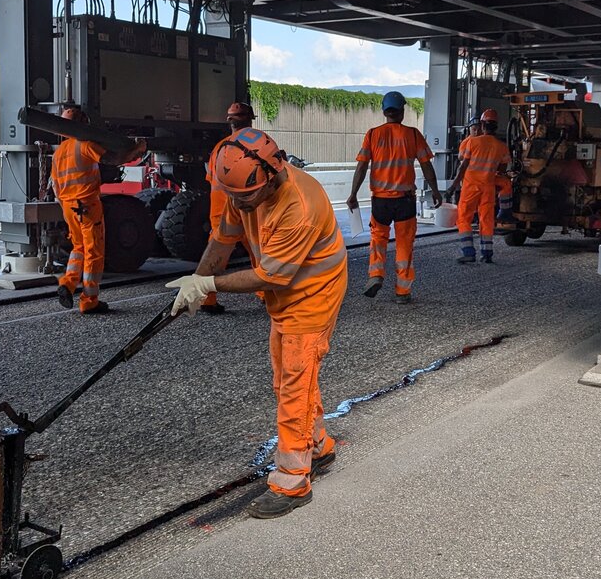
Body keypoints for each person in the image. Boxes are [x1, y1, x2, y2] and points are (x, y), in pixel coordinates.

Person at [166, 127, 348, 519]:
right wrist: (196, 286)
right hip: (285, 292)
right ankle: (318, 445)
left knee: (295, 382)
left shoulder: (299, 204)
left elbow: (269, 276)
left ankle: (293, 480)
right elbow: (222, 240)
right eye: (232, 196)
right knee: (287, 375)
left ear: (273, 171)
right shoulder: (245, 189)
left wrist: (210, 283)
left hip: (314, 292)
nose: (239, 205)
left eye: (244, 197)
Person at [346, 91, 442, 304]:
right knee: (404, 244)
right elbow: (427, 165)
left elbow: (362, 166)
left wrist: (353, 193)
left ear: (384, 111)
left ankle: (376, 275)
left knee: (378, 238)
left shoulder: (372, 134)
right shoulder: (413, 134)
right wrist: (435, 191)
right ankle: (402, 291)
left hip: (380, 200)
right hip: (405, 200)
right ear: (402, 111)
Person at [51, 106, 146, 314]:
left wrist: (64, 206)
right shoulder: (85, 145)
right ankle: (89, 300)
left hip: (68, 206)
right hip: (86, 205)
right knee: (94, 251)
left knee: (78, 248)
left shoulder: (58, 153)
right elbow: (112, 160)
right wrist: (135, 151)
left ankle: (67, 284)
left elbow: (55, 186)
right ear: (83, 124)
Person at [199, 101, 255, 315]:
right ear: (249, 120)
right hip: (246, 209)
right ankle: (268, 295)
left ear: (229, 122)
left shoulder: (219, 148)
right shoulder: (256, 145)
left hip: (220, 212)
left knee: (215, 256)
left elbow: (210, 179)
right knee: (260, 253)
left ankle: (207, 299)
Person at [453, 109, 514, 264]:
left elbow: (463, 166)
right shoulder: (502, 147)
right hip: (488, 187)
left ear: (482, 125)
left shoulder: (473, 142)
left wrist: (453, 186)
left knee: (463, 218)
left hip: (470, 187)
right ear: (496, 126)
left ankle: (468, 252)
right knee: (486, 220)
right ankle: (487, 253)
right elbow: (501, 170)